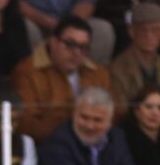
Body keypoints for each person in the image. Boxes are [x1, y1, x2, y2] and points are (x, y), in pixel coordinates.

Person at [11, 15, 113, 143]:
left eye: (83, 47)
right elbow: (26, 124)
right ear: (53, 42)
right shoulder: (28, 72)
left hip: (93, 143)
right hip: (48, 146)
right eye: (70, 44)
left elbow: (112, 116)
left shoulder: (98, 74)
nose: (76, 53)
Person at [109, 1, 160, 137]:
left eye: (155, 29)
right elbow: (121, 112)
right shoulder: (117, 68)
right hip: (130, 133)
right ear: (131, 32)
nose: (149, 35)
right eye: (143, 29)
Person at [7, 0, 114, 64]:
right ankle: (35, 77)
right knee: (25, 27)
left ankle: (87, 79)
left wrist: (70, 27)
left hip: (70, 21)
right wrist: (49, 23)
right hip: (36, 22)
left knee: (103, 30)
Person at [37, 86, 141, 165]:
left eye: (97, 120)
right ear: (74, 115)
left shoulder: (117, 138)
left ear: (110, 122)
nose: (90, 126)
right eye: (84, 117)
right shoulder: (59, 143)